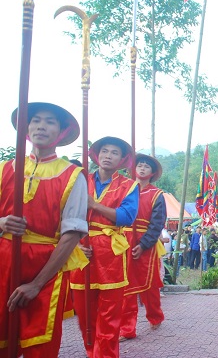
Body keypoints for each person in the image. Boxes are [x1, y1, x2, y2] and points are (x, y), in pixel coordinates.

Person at [0, 103, 87, 357]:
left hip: (44, 268)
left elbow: (71, 235)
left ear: (61, 131)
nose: (41, 126)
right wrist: (2, 222)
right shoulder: (6, 168)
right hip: (3, 264)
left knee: (39, 346)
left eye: (50, 122)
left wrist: (37, 284)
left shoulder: (73, 176)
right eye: (36, 120)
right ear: (27, 128)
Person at [70, 136, 139, 358]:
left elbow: (126, 217)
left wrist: (94, 205)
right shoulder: (79, 180)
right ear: (97, 155)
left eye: (114, 153)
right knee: (84, 311)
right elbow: (66, 214)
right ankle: (92, 352)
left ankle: (106, 355)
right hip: (81, 248)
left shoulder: (129, 186)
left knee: (109, 314)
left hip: (111, 251)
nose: (108, 155)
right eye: (105, 151)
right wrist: (77, 245)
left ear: (122, 159)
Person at [120, 154, 167, 341]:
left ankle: (155, 317)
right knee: (126, 286)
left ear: (152, 172)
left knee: (150, 284)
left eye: (146, 167)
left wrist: (143, 244)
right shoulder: (124, 190)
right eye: (139, 165)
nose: (142, 168)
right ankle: (127, 329)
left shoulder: (157, 195)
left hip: (145, 241)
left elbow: (157, 224)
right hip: (123, 240)